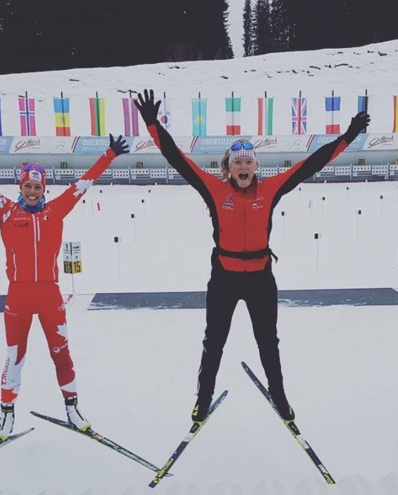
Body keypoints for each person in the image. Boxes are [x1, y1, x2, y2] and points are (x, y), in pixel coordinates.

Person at [133, 89, 370, 424]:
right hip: (224, 279)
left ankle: (280, 395)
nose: (243, 167)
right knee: (213, 342)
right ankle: (203, 399)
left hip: (260, 278)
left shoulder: (270, 189)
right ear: (228, 169)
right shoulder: (215, 190)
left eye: (248, 162)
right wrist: (153, 125)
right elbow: (178, 159)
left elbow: (311, 163)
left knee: (267, 343)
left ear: (256, 167)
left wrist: (347, 137)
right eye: (237, 163)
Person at [0, 116, 130, 440]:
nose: (33, 192)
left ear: (44, 189)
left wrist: (109, 155)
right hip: (18, 298)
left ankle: (72, 408)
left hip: (50, 296)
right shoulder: (6, 210)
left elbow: (83, 184)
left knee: (61, 353)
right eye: (28, 186)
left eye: (38, 187)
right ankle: (6, 415)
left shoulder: (56, 211)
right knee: (14, 357)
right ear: (20, 186)